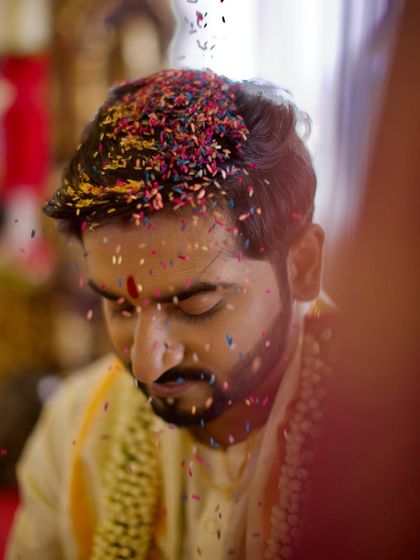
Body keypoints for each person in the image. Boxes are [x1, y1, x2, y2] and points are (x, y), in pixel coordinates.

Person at [6, 68, 335, 560]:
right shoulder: (76, 431)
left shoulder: (382, 449)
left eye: (195, 305)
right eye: (118, 305)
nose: (146, 364)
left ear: (303, 266)